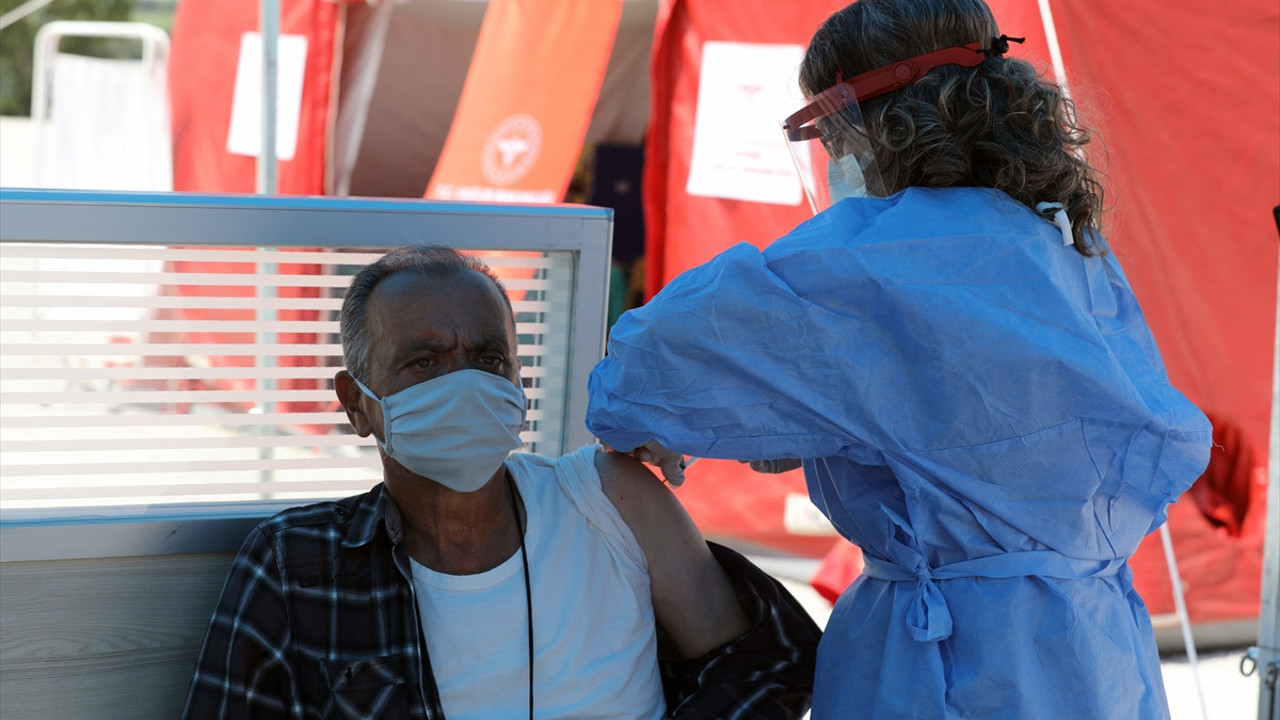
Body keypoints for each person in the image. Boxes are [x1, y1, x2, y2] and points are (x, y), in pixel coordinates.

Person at [585, 1, 1213, 718]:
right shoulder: (1069, 246)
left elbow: (636, 378)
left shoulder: (865, 254)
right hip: (1094, 648)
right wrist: (846, 424)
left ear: (869, 122)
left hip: (941, 657)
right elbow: (999, 431)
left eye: (828, 133)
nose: (832, 156)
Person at [181, 246, 820, 719]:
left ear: (519, 385)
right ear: (357, 404)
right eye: (424, 362)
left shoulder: (607, 497)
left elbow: (761, 666)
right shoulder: (297, 564)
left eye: (489, 360)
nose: (464, 384)